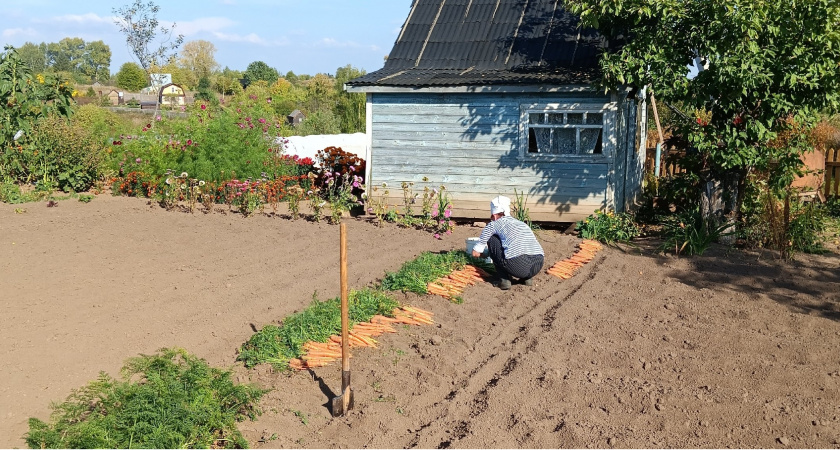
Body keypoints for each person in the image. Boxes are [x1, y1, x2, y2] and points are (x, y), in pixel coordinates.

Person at [470, 195, 544, 290]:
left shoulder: (493, 224)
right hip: (538, 264)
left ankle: (504, 281)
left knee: (492, 238)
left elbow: (475, 253)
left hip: (519, 266)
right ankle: (527, 279)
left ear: (494, 215)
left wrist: (487, 254)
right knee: (520, 246)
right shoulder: (521, 224)